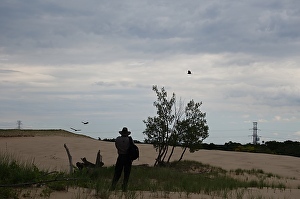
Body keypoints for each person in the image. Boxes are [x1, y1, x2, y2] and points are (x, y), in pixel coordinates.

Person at [110, 127, 133, 191]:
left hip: (120, 156)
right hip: (128, 157)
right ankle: (124, 187)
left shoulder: (117, 139)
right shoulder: (129, 139)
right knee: (126, 173)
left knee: (117, 173)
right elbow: (132, 147)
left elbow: (117, 146)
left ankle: (113, 186)